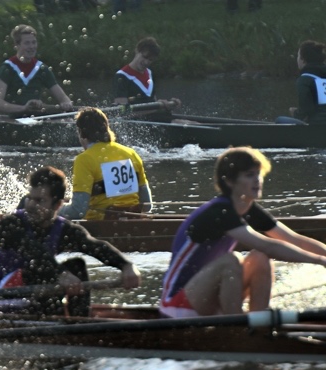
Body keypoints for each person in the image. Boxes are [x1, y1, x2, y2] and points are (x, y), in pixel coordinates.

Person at [160, 147, 326, 318]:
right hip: (177, 305)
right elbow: (268, 245)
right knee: (232, 261)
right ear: (230, 182)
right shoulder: (219, 212)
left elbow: (294, 240)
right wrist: (320, 261)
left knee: (260, 257)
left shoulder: (247, 208)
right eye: (249, 175)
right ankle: (237, 329)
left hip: (209, 298)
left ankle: (257, 324)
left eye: (258, 174)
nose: (257, 180)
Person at [0, 166, 141, 316]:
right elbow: (33, 253)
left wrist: (126, 265)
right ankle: (55, 324)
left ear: (57, 205)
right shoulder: (11, 224)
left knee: (77, 266)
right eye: (30, 198)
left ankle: (79, 325)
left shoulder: (63, 229)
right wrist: (60, 274)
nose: (31, 205)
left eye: (40, 201)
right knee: (42, 272)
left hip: (27, 297)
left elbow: (95, 247)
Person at [59, 108, 152, 221]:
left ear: (81, 133)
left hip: (102, 227)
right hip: (134, 224)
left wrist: (51, 209)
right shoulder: (131, 153)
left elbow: (77, 211)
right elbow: (147, 205)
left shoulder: (84, 159)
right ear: (107, 128)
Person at [0, 24, 74, 117]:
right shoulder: (7, 69)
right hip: (13, 120)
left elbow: (63, 98)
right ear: (17, 45)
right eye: (27, 43)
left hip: (37, 118)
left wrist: (66, 104)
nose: (32, 47)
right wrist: (24, 108)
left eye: (34, 42)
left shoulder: (42, 69)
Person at [113, 37, 188, 123]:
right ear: (137, 51)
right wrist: (158, 106)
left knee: (197, 124)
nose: (146, 62)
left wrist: (169, 105)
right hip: (139, 125)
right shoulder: (121, 76)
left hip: (156, 119)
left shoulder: (149, 73)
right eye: (145, 57)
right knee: (185, 124)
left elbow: (152, 102)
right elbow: (123, 111)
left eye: (150, 60)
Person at [284, 40, 326, 125]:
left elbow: (307, 110)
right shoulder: (322, 77)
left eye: (298, 56)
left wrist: (295, 112)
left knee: (279, 120)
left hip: (317, 127)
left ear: (303, 60)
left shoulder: (305, 79)